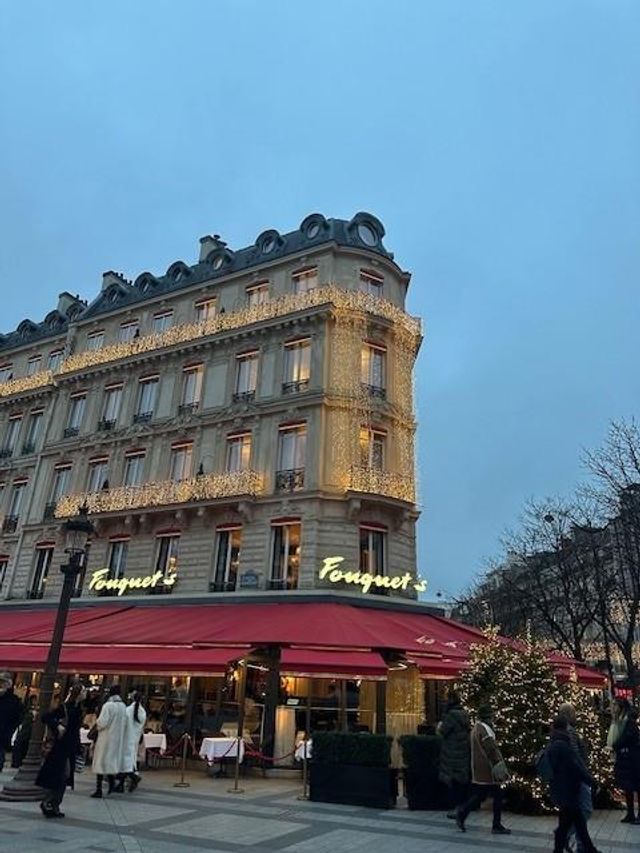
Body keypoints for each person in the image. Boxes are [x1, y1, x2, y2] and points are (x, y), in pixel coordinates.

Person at [547, 716, 602, 853]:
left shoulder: (553, 744)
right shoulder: (564, 746)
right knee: (573, 824)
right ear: (566, 727)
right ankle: (587, 849)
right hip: (569, 791)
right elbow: (578, 768)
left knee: (575, 823)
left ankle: (588, 849)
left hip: (560, 790)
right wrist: (593, 783)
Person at [456, 704, 511, 835]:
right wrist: (499, 764)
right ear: (488, 716)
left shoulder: (476, 728)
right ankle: (496, 825)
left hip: (478, 768)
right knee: (497, 796)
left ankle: (463, 813)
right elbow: (491, 749)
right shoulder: (486, 730)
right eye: (491, 715)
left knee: (481, 795)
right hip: (488, 768)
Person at [36, 681, 86, 818]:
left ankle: (54, 804)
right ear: (77, 694)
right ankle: (49, 801)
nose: (85, 694)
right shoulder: (66, 708)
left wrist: (78, 746)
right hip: (60, 747)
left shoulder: (79, 709)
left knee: (64, 777)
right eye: (83, 691)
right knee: (62, 775)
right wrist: (57, 726)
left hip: (69, 747)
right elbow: (46, 717)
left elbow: (75, 730)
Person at [90, 684, 128, 798]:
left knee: (100, 763)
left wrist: (96, 727)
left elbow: (102, 722)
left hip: (105, 738)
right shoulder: (123, 706)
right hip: (117, 739)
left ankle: (99, 789)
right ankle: (112, 784)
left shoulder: (108, 706)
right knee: (111, 762)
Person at [437, 691, 471, 817]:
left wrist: (440, 723)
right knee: (460, 781)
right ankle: (461, 806)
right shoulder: (464, 714)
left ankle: (455, 808)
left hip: (451, 752)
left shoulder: (450, 715)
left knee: (451, 781)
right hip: (462, 752)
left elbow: (443, 731)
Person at [608, 698, 640, 824]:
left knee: (637, 786)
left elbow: (628, 737)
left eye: (615, 705)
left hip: (633, 758)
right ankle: (630, 813)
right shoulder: (618, 721)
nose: (613, 708)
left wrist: (615, 745)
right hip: (625, 758)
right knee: (628, 787)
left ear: (621, 707)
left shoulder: (629, 721)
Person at [120, 691, 146, 792]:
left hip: (126, 738)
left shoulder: (127, 710)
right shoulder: (142, 712)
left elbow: (123, 724)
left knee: (125, 761)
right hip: (135, 738)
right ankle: (129, 779)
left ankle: (133, 777)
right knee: (131, 760)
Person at [0, 672, 22, 772]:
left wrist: (10, 730)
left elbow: (18, 718)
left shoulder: (14, 700)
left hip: (3, 735)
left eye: (3, 682)